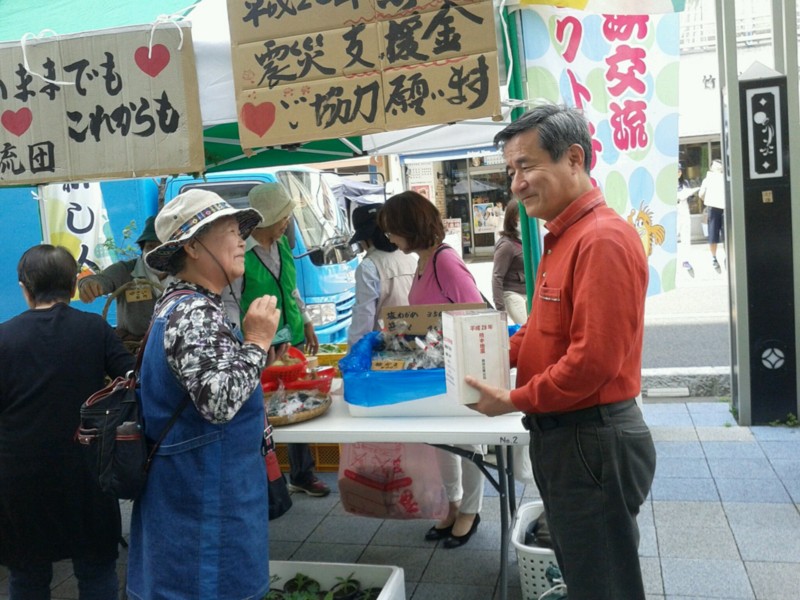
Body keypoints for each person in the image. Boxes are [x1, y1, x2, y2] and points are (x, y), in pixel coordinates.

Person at [465, 105, 656, 599]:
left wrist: (512, 399)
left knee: (603, 582)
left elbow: (592, 361)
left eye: (526, 166)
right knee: (586, 570)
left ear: (574, 158)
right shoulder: (563, 238)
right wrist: (484, 352)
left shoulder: (601, 240)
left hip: (590, 438)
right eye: (511, 171)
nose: (516, 183)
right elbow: (543, 331)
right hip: (569, 436)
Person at [126, 189, 282, 599]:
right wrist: (258, 340)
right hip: (203, 506)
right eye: (230, 231)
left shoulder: (186, 305)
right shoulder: (193, 311)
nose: (242, 241)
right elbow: (219, 400)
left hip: (196, 496)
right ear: (193, 247)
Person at [0, 244, 135, 599]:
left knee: (27, 572)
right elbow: (132, 378)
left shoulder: (4, 337)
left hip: (20, 474)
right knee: (96, 567)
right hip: (87, 466)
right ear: (74, 285)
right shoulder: (95, 329)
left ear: (24, 287)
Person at [377, 190, 485, 549]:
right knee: (442, 441)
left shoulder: (445, 261)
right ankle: (452, 504)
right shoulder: (421, 262)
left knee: (469, 442)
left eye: (393, 229)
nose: (389, 237)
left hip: (463, 367)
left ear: (410, 226)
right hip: (436, 369)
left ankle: (471, 509)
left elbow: (475, 313)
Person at [226, 182, 330, 497]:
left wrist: (308, 320)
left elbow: (292, 288)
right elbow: (231, 303)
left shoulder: (282, 245)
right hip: (261, 346)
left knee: (297, 404)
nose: (287, 222)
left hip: (292, 339)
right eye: (283, 217)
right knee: (263, 409)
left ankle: (302, 473)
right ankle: (268, 479)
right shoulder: (242, 254)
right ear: (264, 220)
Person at [78, 216, 165, 344]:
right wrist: (88, 285)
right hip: (133, 347)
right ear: (142, 249)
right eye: (151, 246)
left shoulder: (185, 273)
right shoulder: (126, 270)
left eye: (163, 247)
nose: (157, 252)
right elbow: (102, 279)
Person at [347, 204, 417, 346]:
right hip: (415, 342)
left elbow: (363, 319)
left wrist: (352, 355)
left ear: (365, 239)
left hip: (384, 347)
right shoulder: (410, 259)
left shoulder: (368, 267)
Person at [491, 200, 527, 324]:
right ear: (512, 219)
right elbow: (497, 276)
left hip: (528, 293)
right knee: (526, 327)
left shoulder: (525, 241)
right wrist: (500, 309)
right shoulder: (506, 245)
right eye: (521, 216)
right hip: (512, 293)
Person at [698, 159, 725, 272]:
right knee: (725, 234)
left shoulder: (708, 179)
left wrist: (708, 200)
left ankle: (714, 258)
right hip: (724, 208)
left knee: (713, 234)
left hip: (713, 209)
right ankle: (725, 257)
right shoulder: (725, 178)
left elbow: (701, 194)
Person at [677, 163, 696, 276]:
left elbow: (691, 196)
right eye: (676, 171)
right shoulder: (667, 183)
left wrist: (690, 193)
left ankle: (686, 260)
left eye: (679, 171)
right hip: (674, 210)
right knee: (672, 235)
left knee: (686, 236)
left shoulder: (685, 183)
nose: (678, 173)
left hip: (684, 210)